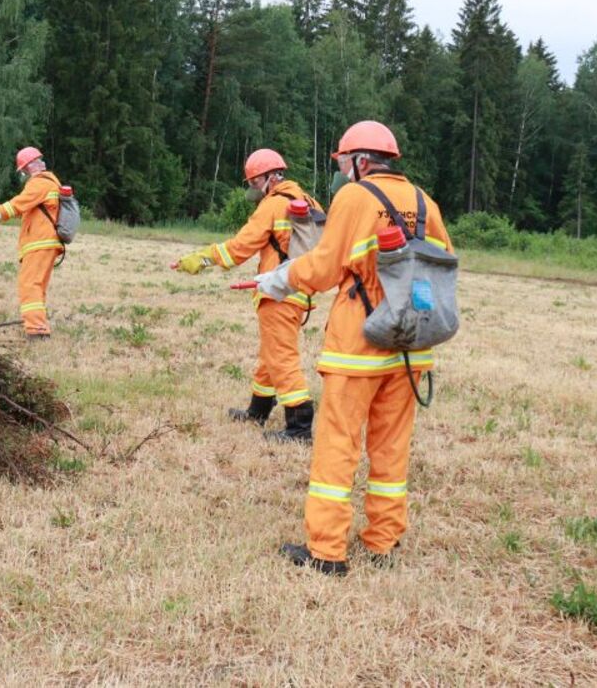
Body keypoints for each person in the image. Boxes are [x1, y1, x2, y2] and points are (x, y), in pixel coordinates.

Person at [255, 120, 452, 575]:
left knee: (338, 447)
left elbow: (324, 267)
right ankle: (382, 543)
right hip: (410, 348)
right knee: (391, 448)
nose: (341, 171)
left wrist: (279, 278)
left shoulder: (355, 197)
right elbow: (442, 266)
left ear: (361, 161)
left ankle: (326, 552)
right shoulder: (425, 202)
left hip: (357, 348)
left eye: (343, 162)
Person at [174, 149, 322, 443]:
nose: (252, 189)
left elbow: (239, 248)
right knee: (271, 353)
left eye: (254, 183)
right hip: (300, 290)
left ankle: (300, 425)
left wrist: (202, 259)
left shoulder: (272, 205)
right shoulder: (308, 201)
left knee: (281, 356)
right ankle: (258, 410)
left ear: (268, 179)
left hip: (278, 291)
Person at [0, 147, 63, 340]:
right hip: (45, 243)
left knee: (29, 285)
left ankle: (36, 331)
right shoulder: (49, 182)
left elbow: (17, 204)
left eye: (23, 170)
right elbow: (26, 209)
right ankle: (40, 327)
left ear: (28, 167)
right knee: (37, 286)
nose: (22, 174)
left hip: (39, 242)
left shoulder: (39, 183)